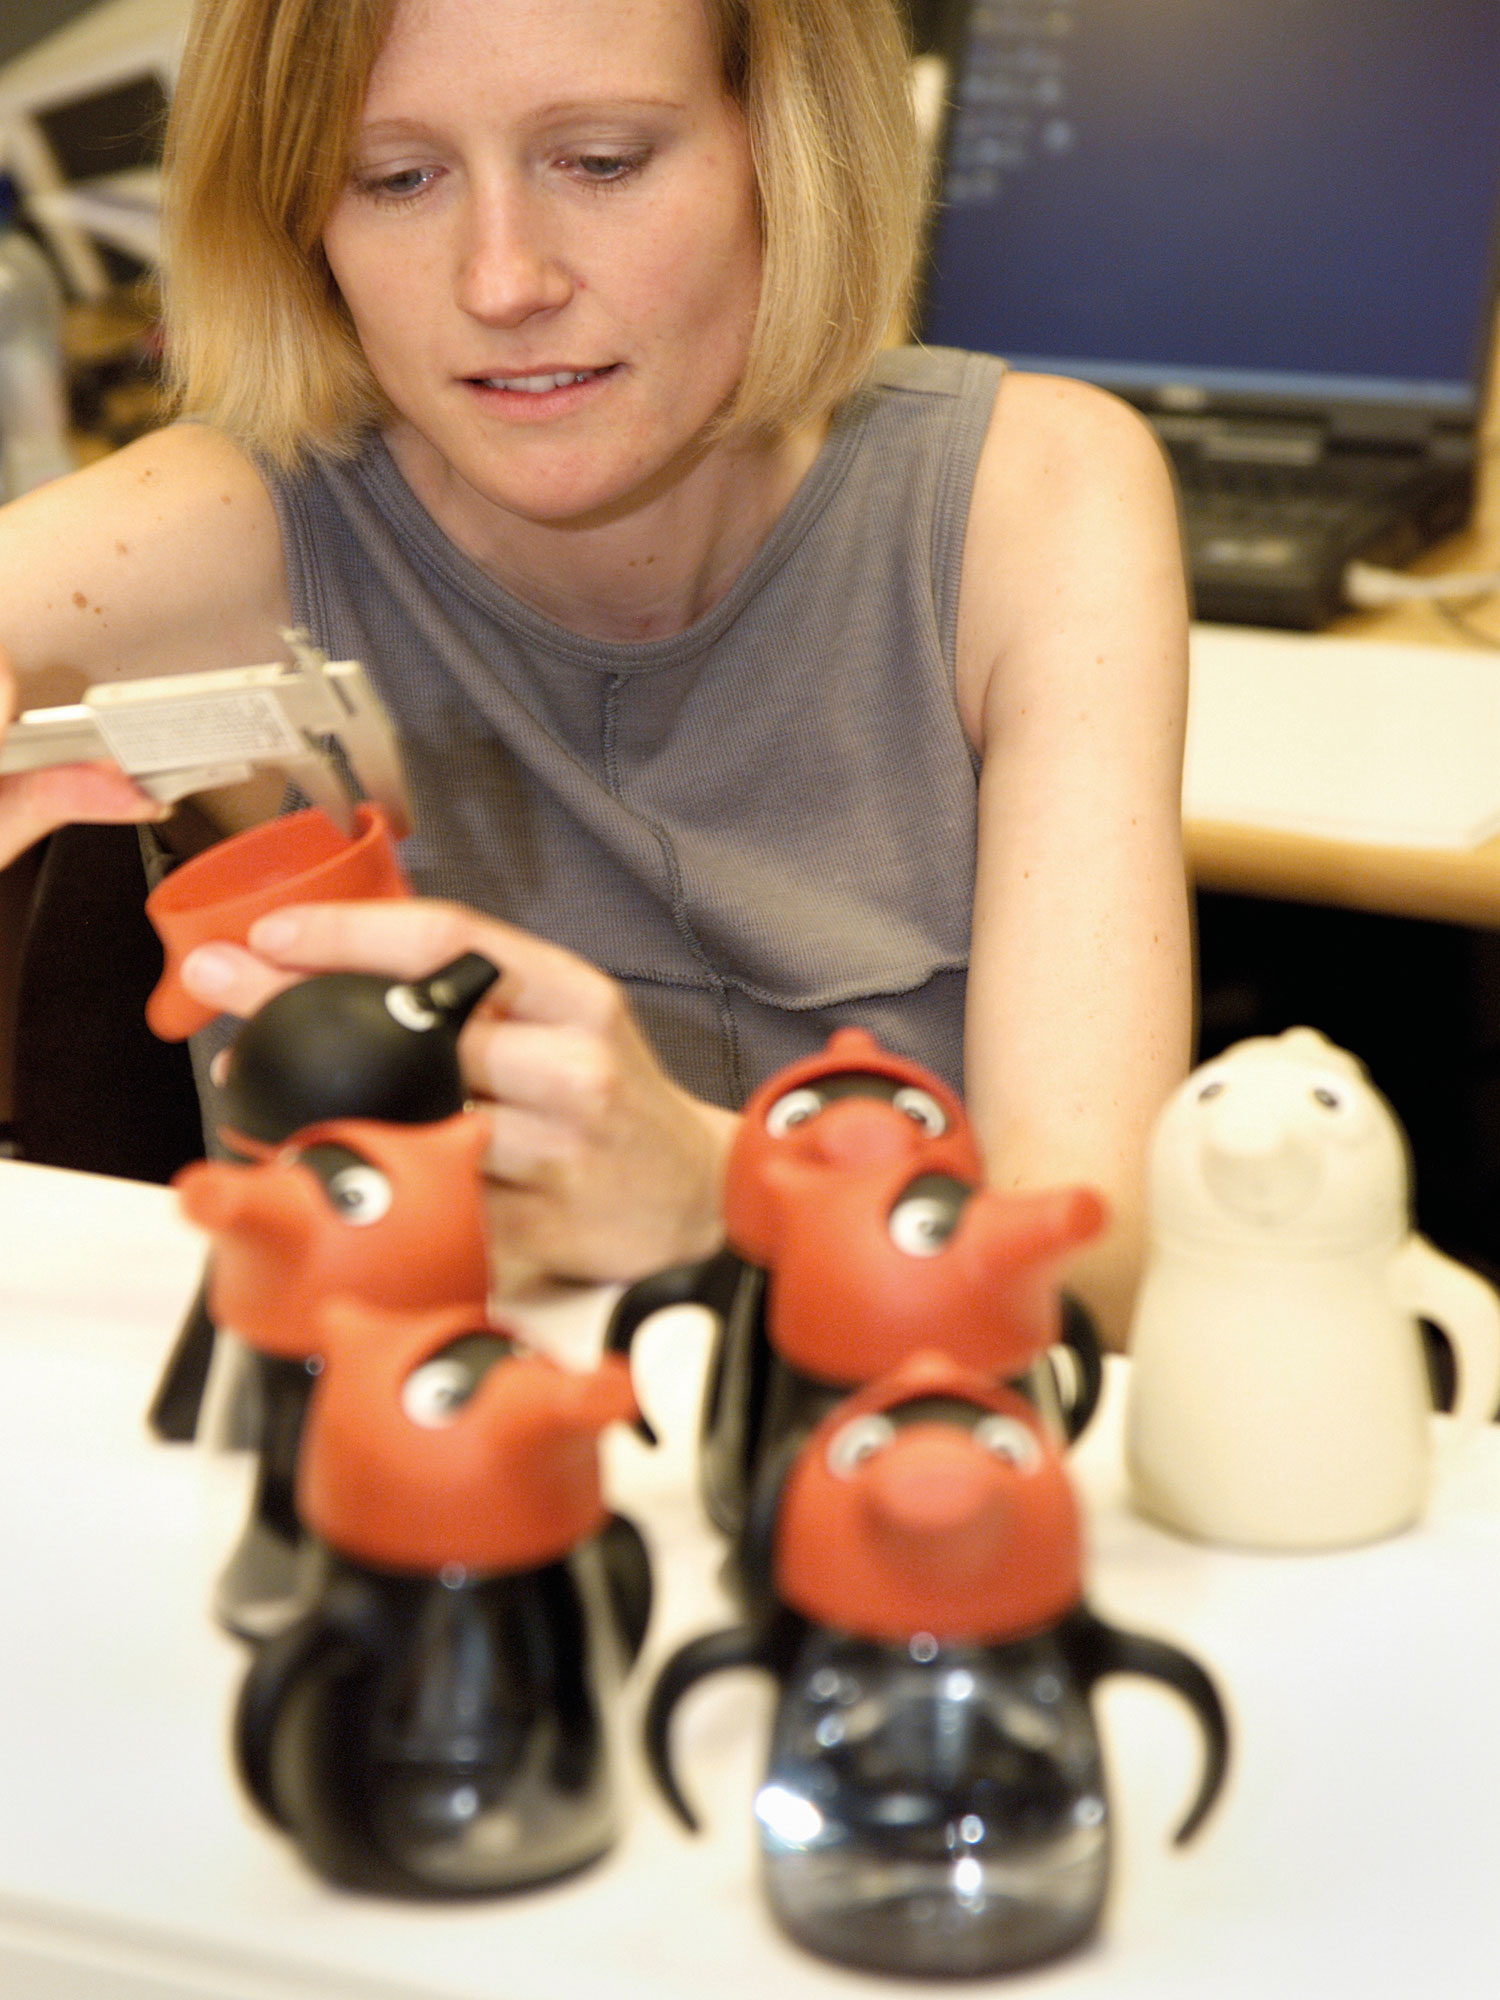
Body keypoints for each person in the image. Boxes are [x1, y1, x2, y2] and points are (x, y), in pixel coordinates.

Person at [0, 0, 1190, 1346]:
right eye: (395, 181)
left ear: (789, 146)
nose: (502, 281)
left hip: (896, 1494)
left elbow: (1104, 1276)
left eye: (604, 162)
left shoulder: (1031, 504)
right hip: (404, 1499)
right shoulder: (225, 540)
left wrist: (726, 1195)